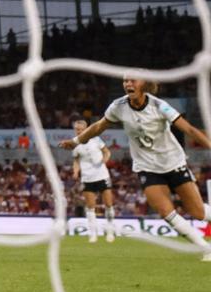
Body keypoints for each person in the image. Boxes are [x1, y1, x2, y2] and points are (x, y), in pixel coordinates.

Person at [61, 78, 211, 260]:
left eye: (132, 80)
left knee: (198, 212)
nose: (127, 84)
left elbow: (189, 129)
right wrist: (76, 141)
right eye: (125, 81)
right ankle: (205, 248)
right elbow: (98, 127)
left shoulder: (160, 106)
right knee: (166, 212)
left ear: (144, 84)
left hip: (174, 163)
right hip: (147, 167)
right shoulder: (118, 106)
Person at [68, 117, 116, 243]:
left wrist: (105, 160)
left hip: (102, 175)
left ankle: (110, 232)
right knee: (90, 207)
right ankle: (93, 234)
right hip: (87, 178)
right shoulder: (75, 144)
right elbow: (76, 160)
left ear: (86, 129)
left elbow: (107, 152)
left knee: (108, 204)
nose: (78, 132)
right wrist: (75, 171)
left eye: (80, 129)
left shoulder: (96, 139)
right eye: (76, 130)